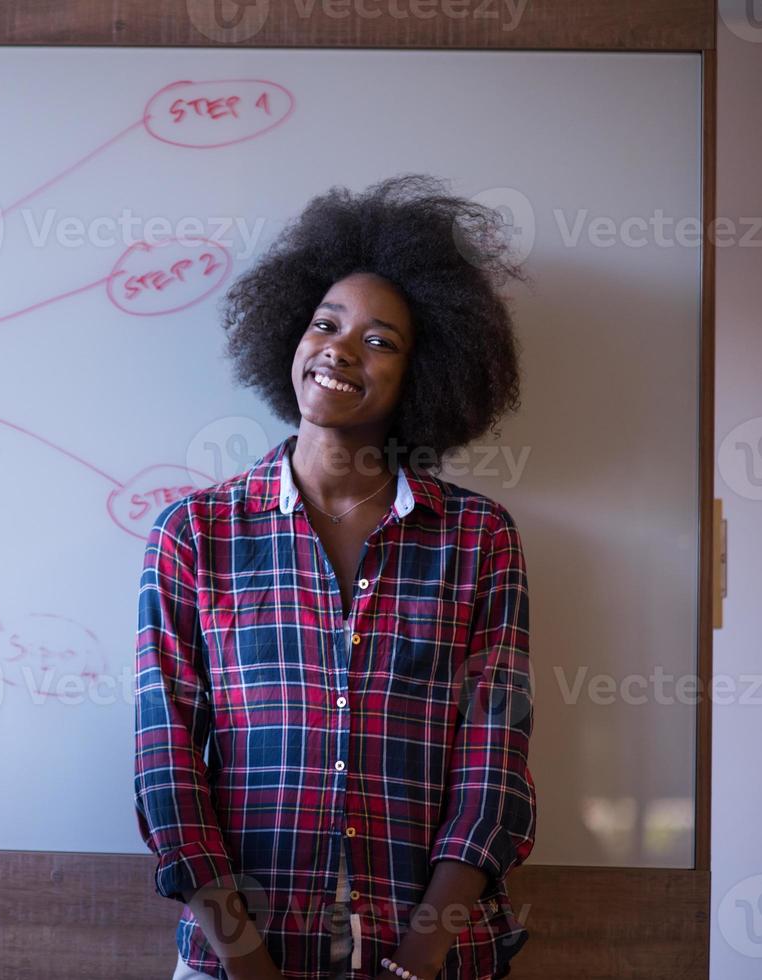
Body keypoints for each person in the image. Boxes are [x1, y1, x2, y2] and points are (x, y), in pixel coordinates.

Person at [134, 174, 537, 980]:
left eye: (380, 340)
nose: (340, 349)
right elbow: (165, 762)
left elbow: (493, 761)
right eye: (325, 322)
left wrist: (418, 959)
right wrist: (245, 962)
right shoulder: (194, 534)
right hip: (236, 958)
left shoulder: (478, 538)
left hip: (430, 958)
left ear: (424, 372)